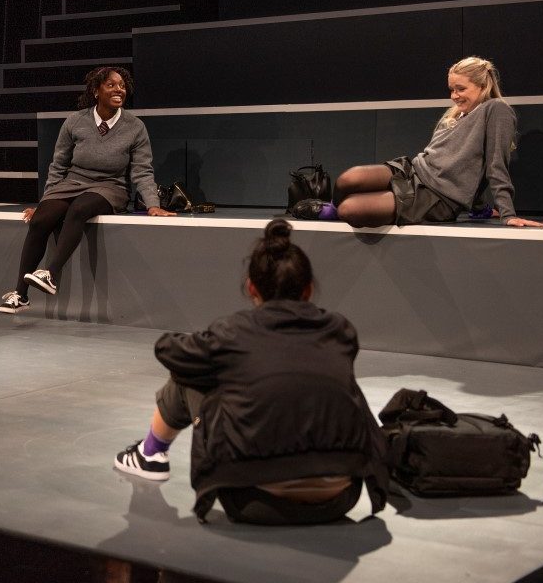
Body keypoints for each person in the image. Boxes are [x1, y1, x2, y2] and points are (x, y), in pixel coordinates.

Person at [113, 220, 388, 526]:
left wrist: (213, 351)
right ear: (309, 289)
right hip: (343, 498)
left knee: (190, 374)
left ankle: (150, 454)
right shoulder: (340, 330)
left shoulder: (233, 332)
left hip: (253, 501)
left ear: (251, 287)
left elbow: (167, 350)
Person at [0, 66, 176, 314]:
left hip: (110, 187)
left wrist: (153, 204)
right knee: (41, 219)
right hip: (72, 183)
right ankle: (20, 293)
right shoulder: (75, 121)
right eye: (111, 85)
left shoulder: (135, 127)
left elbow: (142, 171)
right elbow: (58, 165)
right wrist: (47, 199)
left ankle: (50, 273)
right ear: (96, 91)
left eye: (122, 86)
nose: (119, 90)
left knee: (80, 207)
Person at [292, 56, 543, 228]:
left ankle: (333, 211)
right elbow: (464, 162)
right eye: (451, 89)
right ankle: (332, 207)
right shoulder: (457, 114)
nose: (454, 96)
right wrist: (480, 207)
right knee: (349, 179)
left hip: (437, 197)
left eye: (460, 89)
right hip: (414, 170)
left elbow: (494, 164)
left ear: (482, 85)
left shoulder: (496, 111)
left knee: (350, 210)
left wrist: (507, 214)